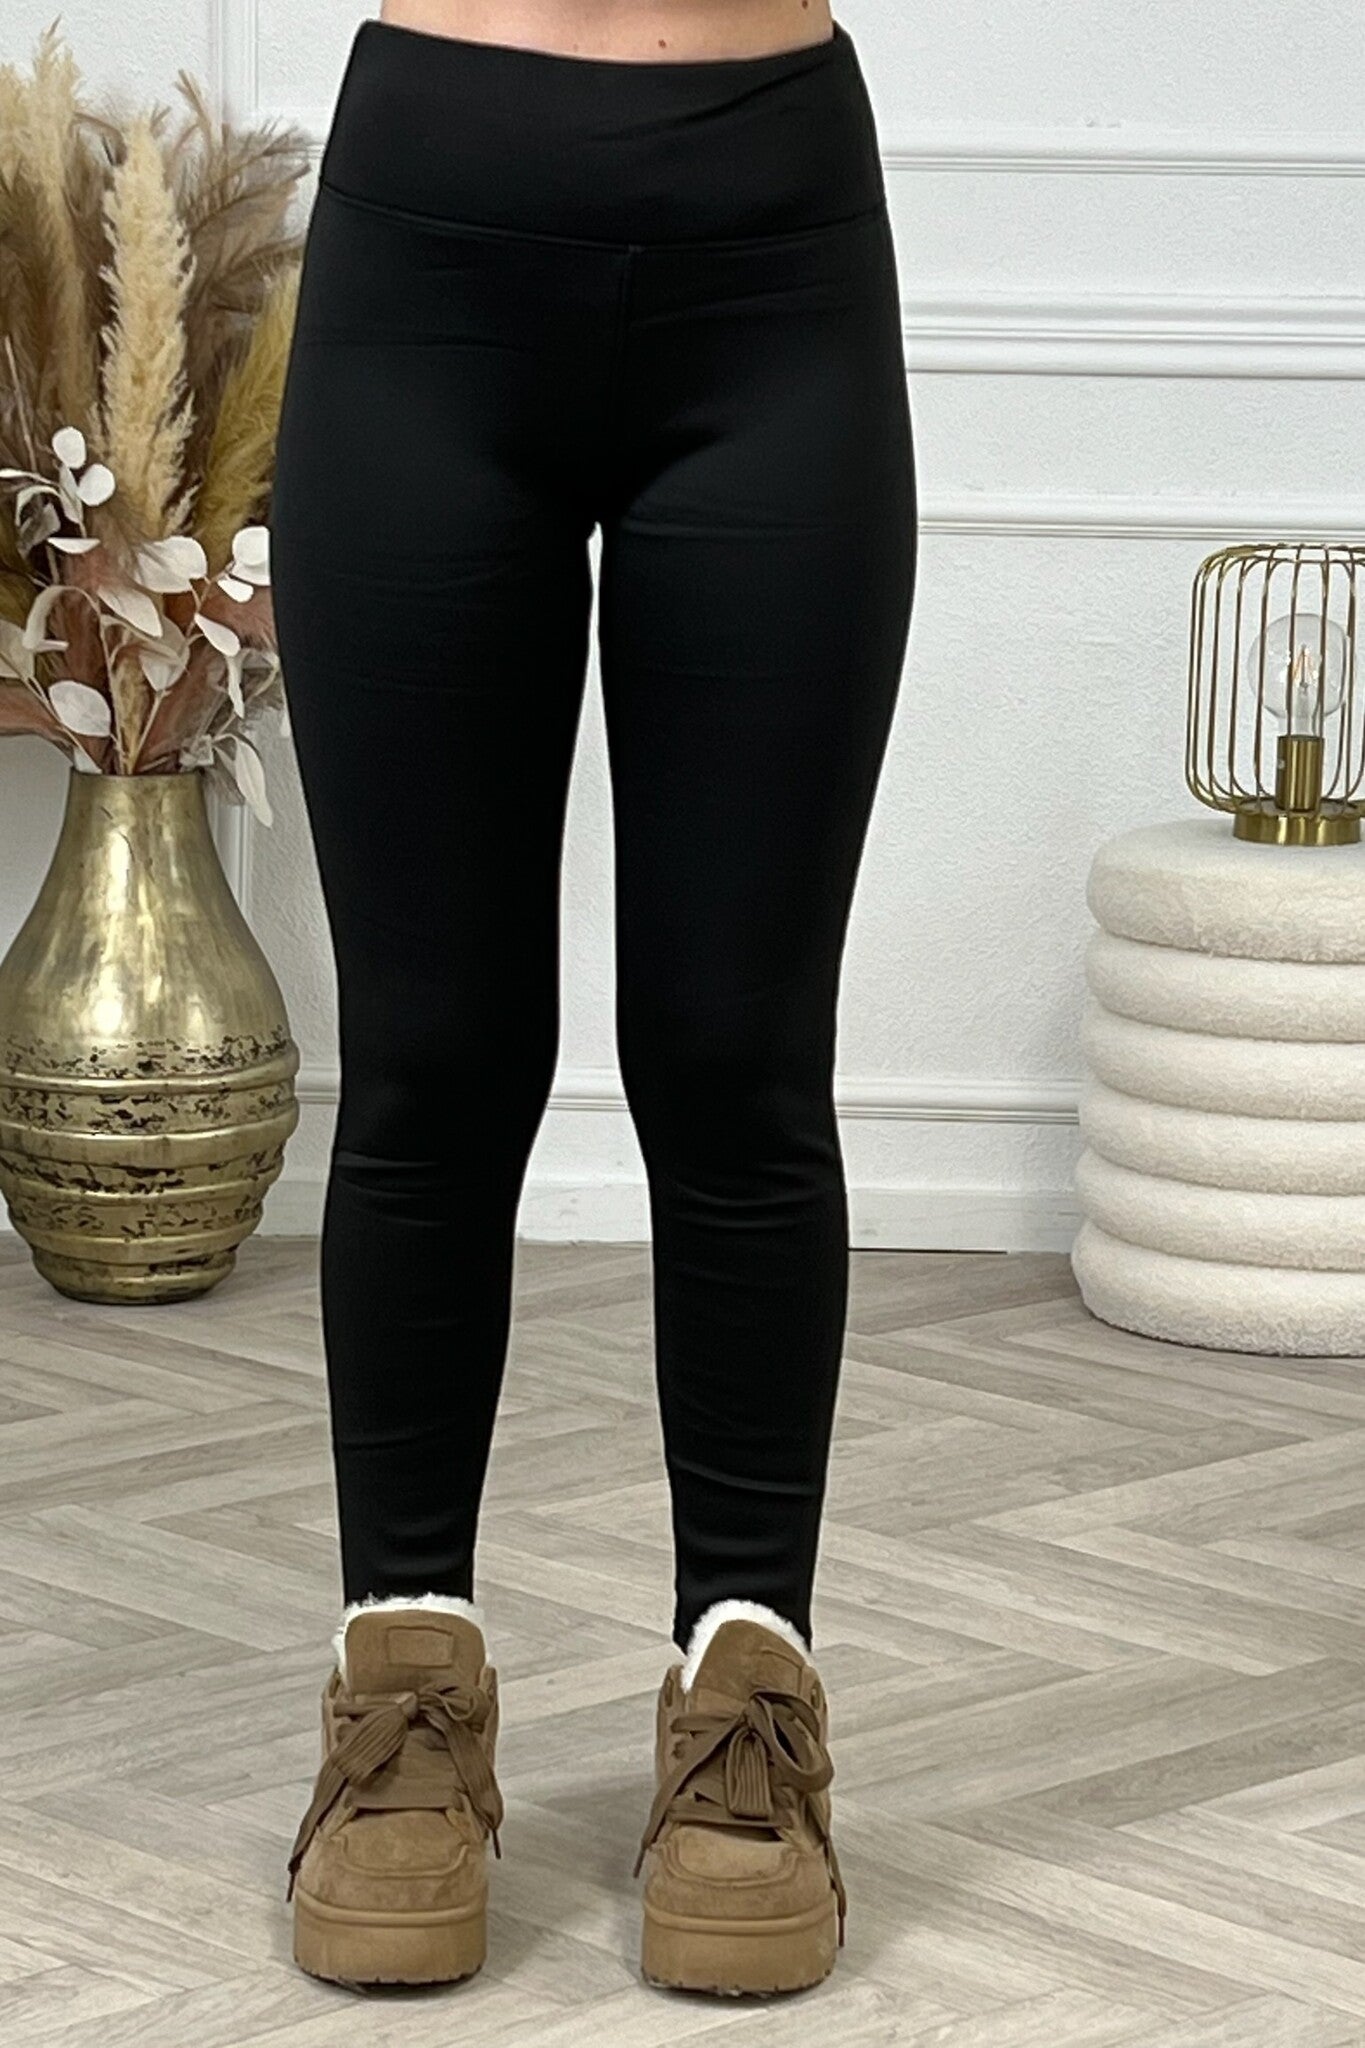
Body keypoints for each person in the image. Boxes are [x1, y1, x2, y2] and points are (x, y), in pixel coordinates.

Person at [268, 0, 916, 1998]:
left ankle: (746, 1706)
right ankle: (402, 1692)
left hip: (773, 250)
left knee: (736, 1055)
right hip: (427, 249)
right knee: (433, 1054)